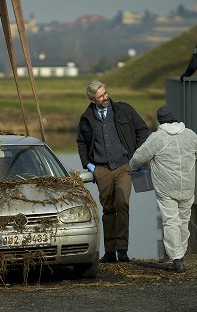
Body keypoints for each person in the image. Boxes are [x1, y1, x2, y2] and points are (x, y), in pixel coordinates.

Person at [76, 80, 149, 263]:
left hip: (124, 166)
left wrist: (136, 157)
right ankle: (110, 252)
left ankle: (122, 250)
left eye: (105, 92)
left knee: (122, 204)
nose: (105, 97)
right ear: (93, 99)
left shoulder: (124, 110)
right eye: (101, 96)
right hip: (101, 169)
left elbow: (143, 130)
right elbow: (81, 143)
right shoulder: (86, 117)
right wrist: (89, 165)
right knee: (108, 209)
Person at [129, 106, 197, 273]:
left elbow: (139, 158)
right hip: (187, 185)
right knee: (184, 220)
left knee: (170, 221)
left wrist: (132, 167)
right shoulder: (190, 134)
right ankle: (182, 253)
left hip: (166, 188)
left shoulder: (157, 138)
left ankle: (176, 258)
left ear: (160, 121)